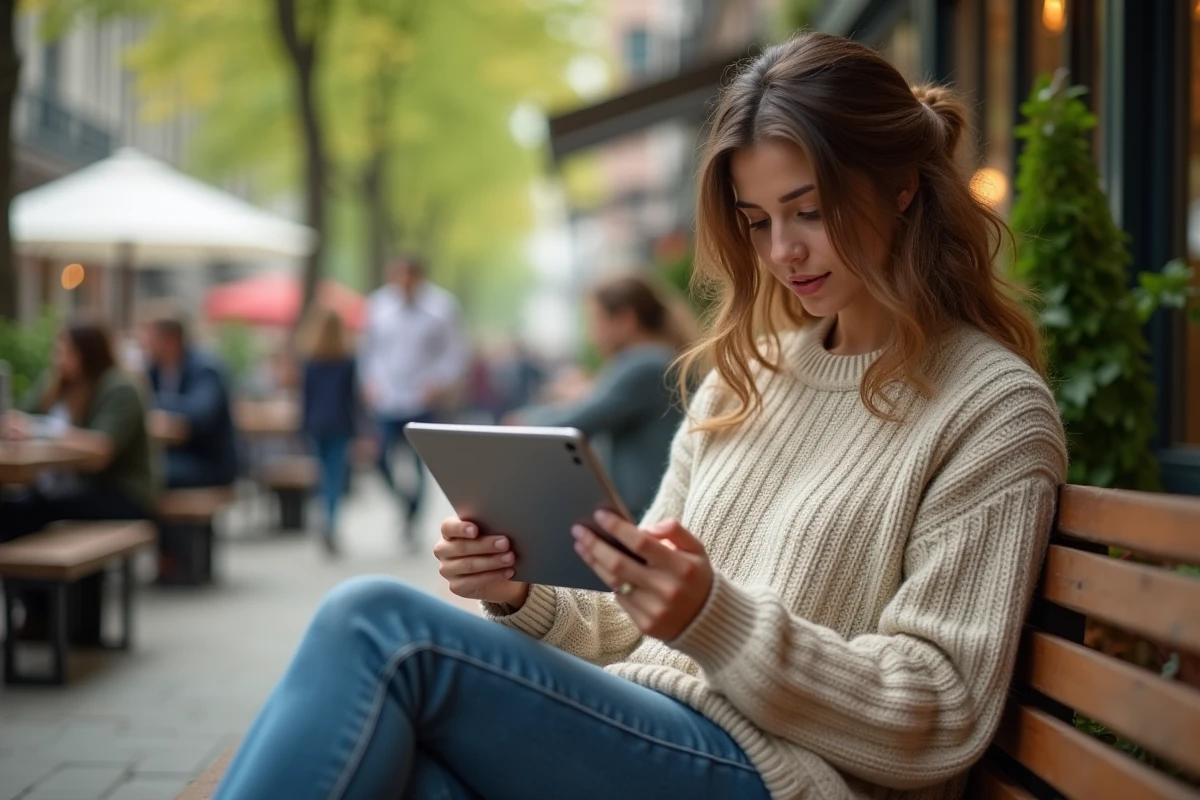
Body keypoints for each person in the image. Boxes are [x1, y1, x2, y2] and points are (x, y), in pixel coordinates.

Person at [213, 33, 1067, 800]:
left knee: (376, 625)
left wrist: (714, 619)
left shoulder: (990, 411)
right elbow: (627, 615)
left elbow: (944, 710)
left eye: (810, 211)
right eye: (759, 221)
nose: (783, 252)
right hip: (651, 735)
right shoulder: (749, 380)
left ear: (904, 189)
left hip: (784, 779)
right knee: (412, 776)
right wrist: (520, 592)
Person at [0, 319, 156, 640]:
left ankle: (42, 615)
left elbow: (101, 450)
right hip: (77, 489)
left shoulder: (118, 386)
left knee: (27, 511)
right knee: (20, 510)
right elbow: (22, 419)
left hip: (123, 494)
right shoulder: (58, 384)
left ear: (88, 352)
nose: (58, 356)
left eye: (65, 349)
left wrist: (41, 429)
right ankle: (40, 611)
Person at [509, 274, 696, 520]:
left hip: (648, 513)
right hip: (656, 507)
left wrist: (520, 423)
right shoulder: (660, 357)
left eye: (596, 322)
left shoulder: (643, 362)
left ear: (625, 320)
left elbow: (582, 418)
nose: (593, 336)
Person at [358, 254, 468, 535]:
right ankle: (404, 503)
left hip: (422, 398)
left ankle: (414, 517)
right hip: (387, 398)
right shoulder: (378, 306)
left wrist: (438, 382)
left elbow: (455, 352)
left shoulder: (442, 308)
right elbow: (368, 351)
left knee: (421, 463)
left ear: (419, 277)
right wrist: (369, 382)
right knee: (379, 456)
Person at [142, 313, 237, 489]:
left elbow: (199, 414)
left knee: (142, 476)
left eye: (150, 339)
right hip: (173, 456)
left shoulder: (205, 369)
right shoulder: (153, 370)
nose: (145, 345)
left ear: (171, 339)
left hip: (208, 462)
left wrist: (157, 410)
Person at [298, 307, 361, 556]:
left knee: (322, 474)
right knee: (334, 476)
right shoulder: (347, 361)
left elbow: (306, 397)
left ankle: (324, 518)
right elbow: (352, 399)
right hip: (340, 424)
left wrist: (302, 427)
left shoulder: (310, 360)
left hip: (316, 424)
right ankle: (331, 522)